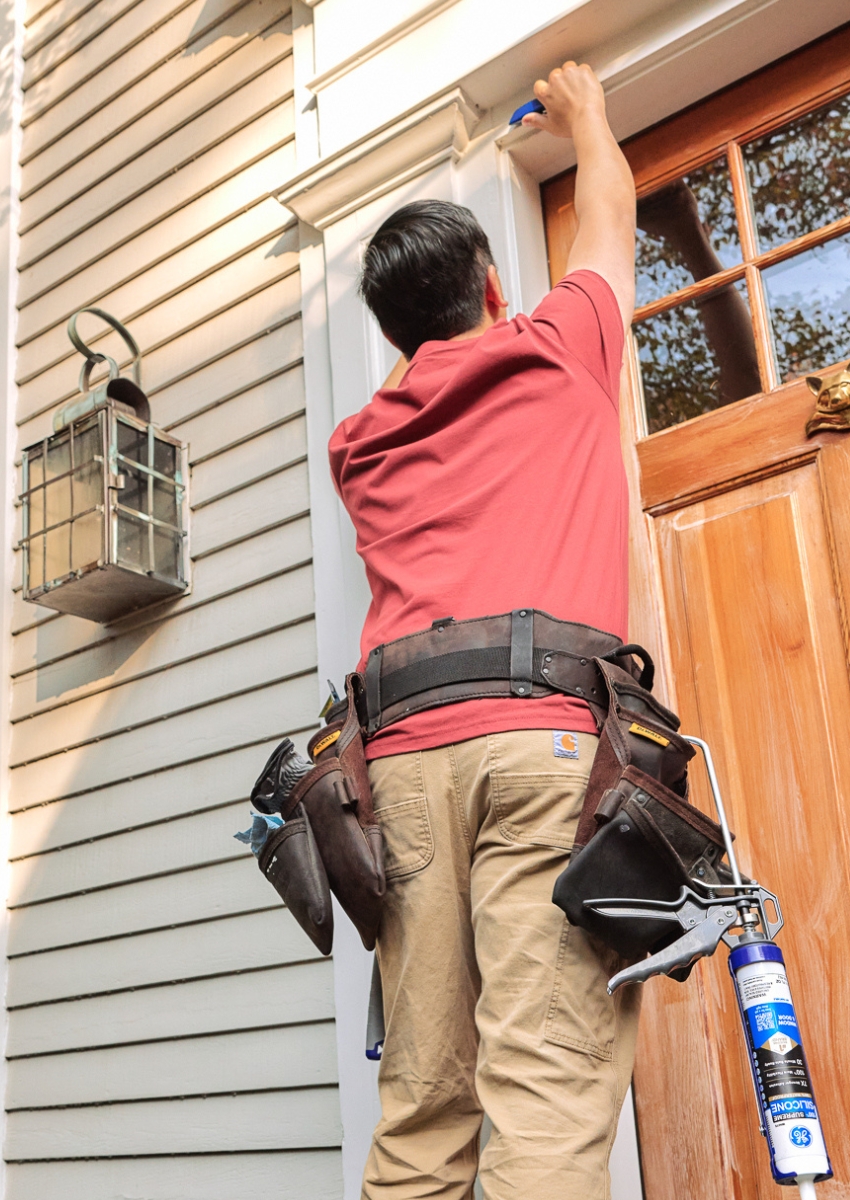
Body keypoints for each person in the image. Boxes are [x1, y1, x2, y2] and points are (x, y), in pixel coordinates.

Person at [328, 63, 639, 1199]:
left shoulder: (359, 442)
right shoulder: (555, 349)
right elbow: (609, 216)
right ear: (498, 288)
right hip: (537, 739)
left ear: (392, 330)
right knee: (546, 1083)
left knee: (422, 1101)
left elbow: (429, 364)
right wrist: (587, 117)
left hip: (401, 765)